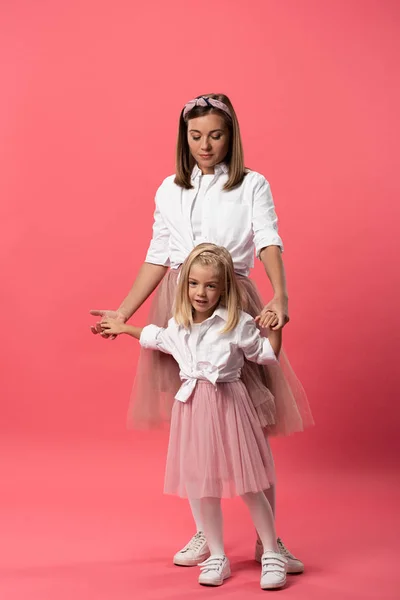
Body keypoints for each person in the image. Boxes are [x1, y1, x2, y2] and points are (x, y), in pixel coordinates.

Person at [90, 93, 313, 573]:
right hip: (179, 302)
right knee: (192, 420)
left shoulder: (252, 184)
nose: (205, 145)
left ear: (231, 136)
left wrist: (280, 297)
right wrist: (125, 312)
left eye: (215, 134)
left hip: (232, 299)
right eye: (195, 136)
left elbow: (269, 238)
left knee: (251, 423)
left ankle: (266, 539)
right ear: (183, 138)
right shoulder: (170, 189)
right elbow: (157, 252)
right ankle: (204, 532)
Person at [100, 244, 290, 589]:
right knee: (203, 486)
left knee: (250, 484)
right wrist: (122, 325)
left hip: (230, 407)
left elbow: (265, 355)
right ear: (184, 285)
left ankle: (271, 551)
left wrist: (276, 325)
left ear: (224, 289)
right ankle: (217, 554)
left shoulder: (238, 324)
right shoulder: (179, 324)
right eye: (194, 284)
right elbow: (154, 337)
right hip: (191, 410)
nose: (201, 293)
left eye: (211, 285)